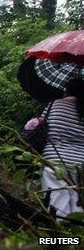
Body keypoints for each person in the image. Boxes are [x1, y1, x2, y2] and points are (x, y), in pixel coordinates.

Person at [36, 78, 84, 220]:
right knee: (77, 199)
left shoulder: (54, 105)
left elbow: (42, 128)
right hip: (80, 164)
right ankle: (77, 234)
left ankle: (60, 237)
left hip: (54, 160)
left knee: (57, 199)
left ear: (67, 90)